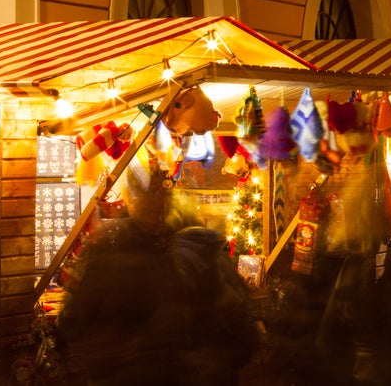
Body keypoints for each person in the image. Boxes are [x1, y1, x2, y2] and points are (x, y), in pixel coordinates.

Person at [57, 165, 260, 385]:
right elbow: (75, 323)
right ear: (131, 199)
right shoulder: (110, 248)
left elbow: (236, 326)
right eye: (148, 193)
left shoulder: (187, 252)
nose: (156, 201)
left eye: (161, 192)